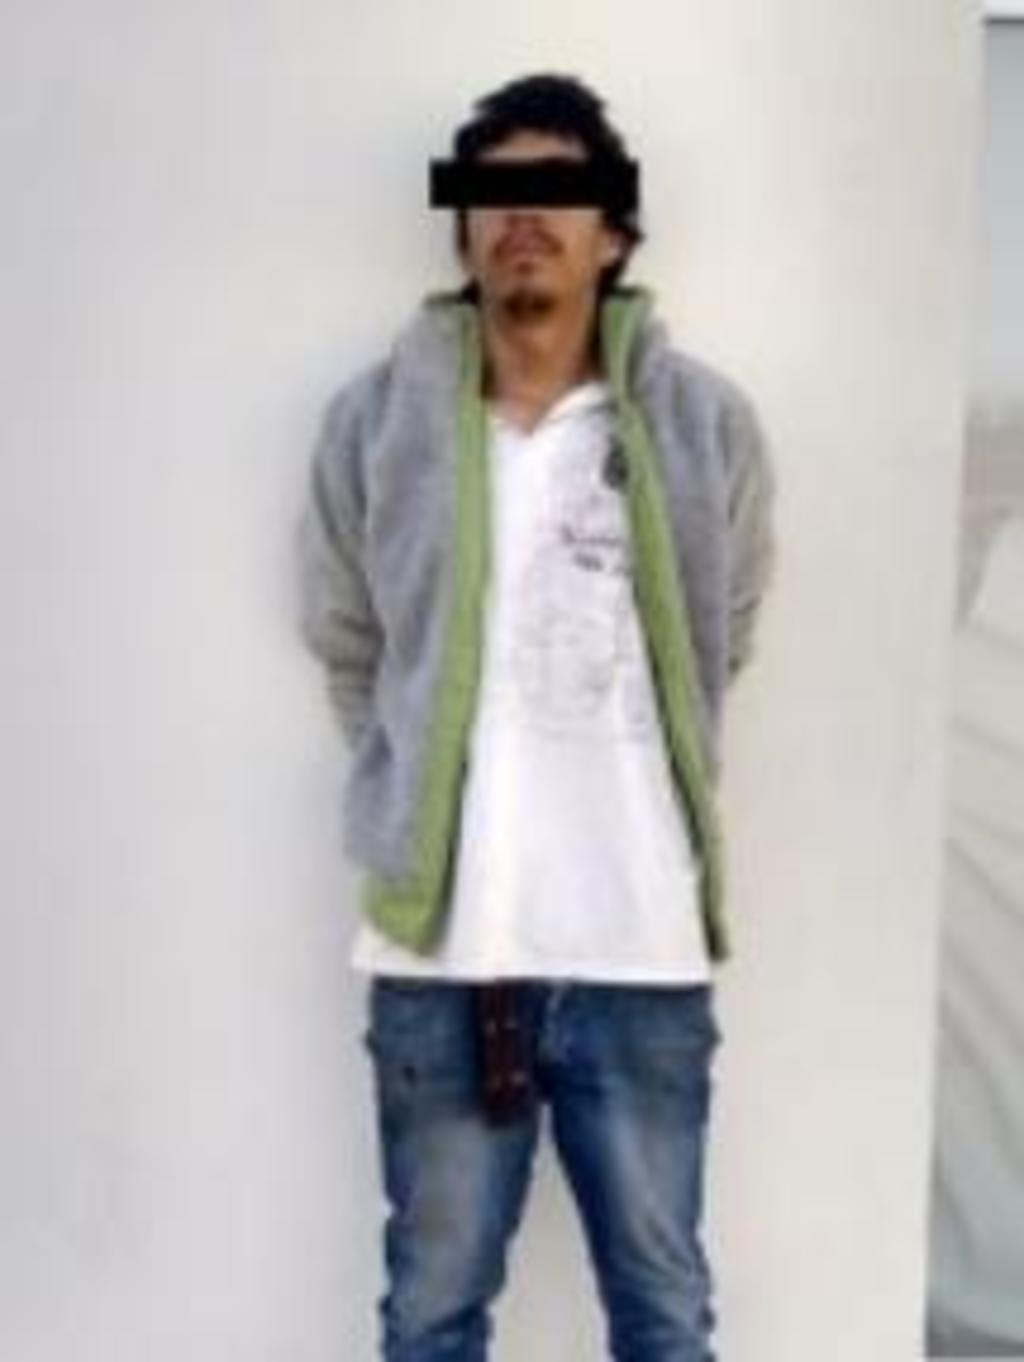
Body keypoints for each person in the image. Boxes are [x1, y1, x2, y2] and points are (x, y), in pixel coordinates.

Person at [298, 71, 775, 1362]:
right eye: (496, 193)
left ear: (612, 232)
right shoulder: (374, 425)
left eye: (559, 189)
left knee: (665, 1319)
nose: (525, 215)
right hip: (441, 960)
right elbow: (350, 640)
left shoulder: (703, 426)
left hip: (643, 948)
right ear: (463, 229)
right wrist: (417, 781)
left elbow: (724, 628)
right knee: (432, 1320)